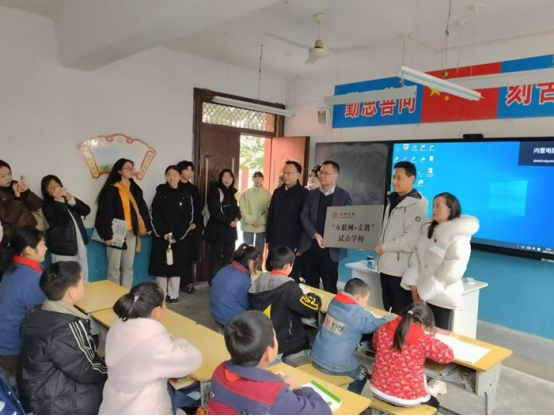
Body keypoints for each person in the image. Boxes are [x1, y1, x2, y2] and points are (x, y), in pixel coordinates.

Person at [99, 282, 202, 415]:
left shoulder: (117, 327)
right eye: (164, 304)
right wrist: (180, 342)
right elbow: (193, 359)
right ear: (156, 311)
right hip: (143, 408)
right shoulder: (154, 343)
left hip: (113, 405)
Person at [19, 261, 107, 415]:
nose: (84, 286)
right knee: (112, 388)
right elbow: (88, 370)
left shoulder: (39, 312)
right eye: (81, 283)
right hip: (48, 403)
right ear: (72, 293)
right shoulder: (65, 329)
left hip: (35, 388)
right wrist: (111, 369)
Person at [208, 311, 332, 415]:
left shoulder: (219, 371)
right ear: (268, 352)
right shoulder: (275, 396)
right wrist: (297, 388)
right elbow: (324, 412)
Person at [402, 193, 480, 330]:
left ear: (450, 209)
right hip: (422, 295)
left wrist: (426, 290)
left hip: (441, 297)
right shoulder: (429, 231)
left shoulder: (458, 238)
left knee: (437, 335)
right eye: (433, 206)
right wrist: (414, 287)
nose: (433, 209)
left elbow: (452, 271)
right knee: (420, 333)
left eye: (438, 206)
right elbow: (416, 260)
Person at [311, 278, 392, 394]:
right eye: (366, 300)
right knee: (362, 373)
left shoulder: (334, 302)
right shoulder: (359, 315)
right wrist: (390, 316)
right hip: (334, 365)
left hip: (315, 355)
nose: (366, 304)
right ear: (358, 298)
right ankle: (351, 399)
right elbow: (378, 324)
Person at [370, 303, 454, 411]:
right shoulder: (423, 339)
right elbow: (448, 355)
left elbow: (375, 344)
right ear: (422, 324)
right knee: (434, 405)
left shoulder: (384, 328)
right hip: (407, 397)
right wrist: (430, 338)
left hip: (377, 388)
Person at [250, 246, 321, 359]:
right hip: (283, 342)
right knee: (305, 339)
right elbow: (310, 308)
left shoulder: (259, 280)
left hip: (261, 335)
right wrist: (313, 296)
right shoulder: (289, 288)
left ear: (272, 262)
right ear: (289, 266)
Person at [375, 161, 428, 314]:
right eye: (393, 177)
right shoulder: (392, 199)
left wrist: (384, 247)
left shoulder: (417, 205)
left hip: (400, 271)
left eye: (399, 178)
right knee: (387, 308)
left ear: (412, 179)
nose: (394, 181)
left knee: (401, 312)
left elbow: (410, 240)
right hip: (385, 265)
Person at [0, 226, 47, 385]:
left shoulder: (14, 268)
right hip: (12, 350)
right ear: (28, 250)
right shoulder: (32, 279)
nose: (46, 248)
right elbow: (42, 320)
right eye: (42, 244)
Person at [95, 158, 152, 289]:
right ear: (119, 170)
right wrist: (107, 235)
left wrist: (147, 226)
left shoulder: (135, 189)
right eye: (127, 168)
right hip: (117, 231)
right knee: (114, 267)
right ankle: (114, 294)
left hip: (131, 231)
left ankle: (126, 293)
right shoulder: (112, 189)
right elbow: (104, 213)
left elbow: (142, 208)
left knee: (128, 266)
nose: (131, 170)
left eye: (132, 168)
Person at [300, 161, 353, 294]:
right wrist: (315, 234)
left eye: (327, 173)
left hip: (331, 251)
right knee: (310, 286)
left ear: (336, 176)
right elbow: (304, 216)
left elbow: (350, 220)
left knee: (329, 287)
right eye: (321, 173)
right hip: (311, 247)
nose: (322, 176)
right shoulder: (311, 194)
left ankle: (329, 308)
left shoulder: (344, 195)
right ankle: (311, 308)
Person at [150, 166, 194, 304]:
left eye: (175, 175)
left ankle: (173, 294)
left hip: (178, 237)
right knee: (161, 266)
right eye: (169, 174)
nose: (171, 178)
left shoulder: (186, 194)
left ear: (180, 177)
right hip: (162, 236)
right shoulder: (160, 191)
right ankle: (160, 295)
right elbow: (154, 213)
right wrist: (163, 233)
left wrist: (177, 234)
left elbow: (188, 216)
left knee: (176, 265)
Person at [41, 175, 91, 281]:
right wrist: (59, 201)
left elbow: (86, 210)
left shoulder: (68, 201)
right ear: (46, 191)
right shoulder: (47, 206)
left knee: (82, 278)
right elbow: (63, 221)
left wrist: (71, 199)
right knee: (65, 281)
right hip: (63, 250)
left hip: (79, 247)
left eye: (57, 185)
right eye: (51, 187)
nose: (55, 188)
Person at [266, 161, 308, 281]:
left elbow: (306, 221)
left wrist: (301, 245)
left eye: (289, 173)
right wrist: (268, 239)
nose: (285, 175)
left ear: (298, 174)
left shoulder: (304, 194)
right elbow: (271, 216)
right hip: (276, 241)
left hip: (293, 244)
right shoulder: (277, 192)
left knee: (291, 277)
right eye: (284, 172)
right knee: (273, 275)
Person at [211, 244, 262, 329]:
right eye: (257, 265)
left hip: (215, 314)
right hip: (228, 320)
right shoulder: (243, 279)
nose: (257, 268)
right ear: (251, 263)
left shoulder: (224, 269)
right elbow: (248, 304)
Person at [204, 169, 241, 284]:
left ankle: (224, 281)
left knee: (228, 258)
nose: (227, 179)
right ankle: (214, 282)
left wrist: (237, 219)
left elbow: (238, 208)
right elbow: (214, 211)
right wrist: (229, 222)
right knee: (216, 258)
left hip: (230, 232)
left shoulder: (233, 192)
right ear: (220, 178)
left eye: (229, 177)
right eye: (224, 177)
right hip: (218, 231)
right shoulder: (215, 191)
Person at [0, 160, 43, 244]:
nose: (8, 178)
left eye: (9, 174)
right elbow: (9, 218)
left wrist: (27, 192)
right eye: (3, 176)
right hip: (14, 236)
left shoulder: (16, 185)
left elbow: (37, 205)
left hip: (31, 230)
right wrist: (17, 198)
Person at [177, 160, 203, 294]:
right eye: (186, 170)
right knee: (180, 256)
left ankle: (189, 283)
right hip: (180, 229)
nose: (189, 172)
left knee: (191, 256)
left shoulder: (194, 189)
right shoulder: (176, 187)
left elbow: (198, 209)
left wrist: (196, 224)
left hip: (193, 228)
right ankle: (179, 283)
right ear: (180, 171)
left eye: (191, 170)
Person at [239, 171, 271, 254]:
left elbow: (270, 210)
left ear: (263, 179)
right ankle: (246, 262)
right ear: (252, 179)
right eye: (255, 177)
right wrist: (251, 220)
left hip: (261, 225)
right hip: (248, 224)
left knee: (259, 250)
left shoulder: (267, 194)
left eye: (259, 177)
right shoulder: (245, 193)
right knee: (247, 249)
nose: (257, 179)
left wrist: (261, 220)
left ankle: (258, 262)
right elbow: (242, 209)